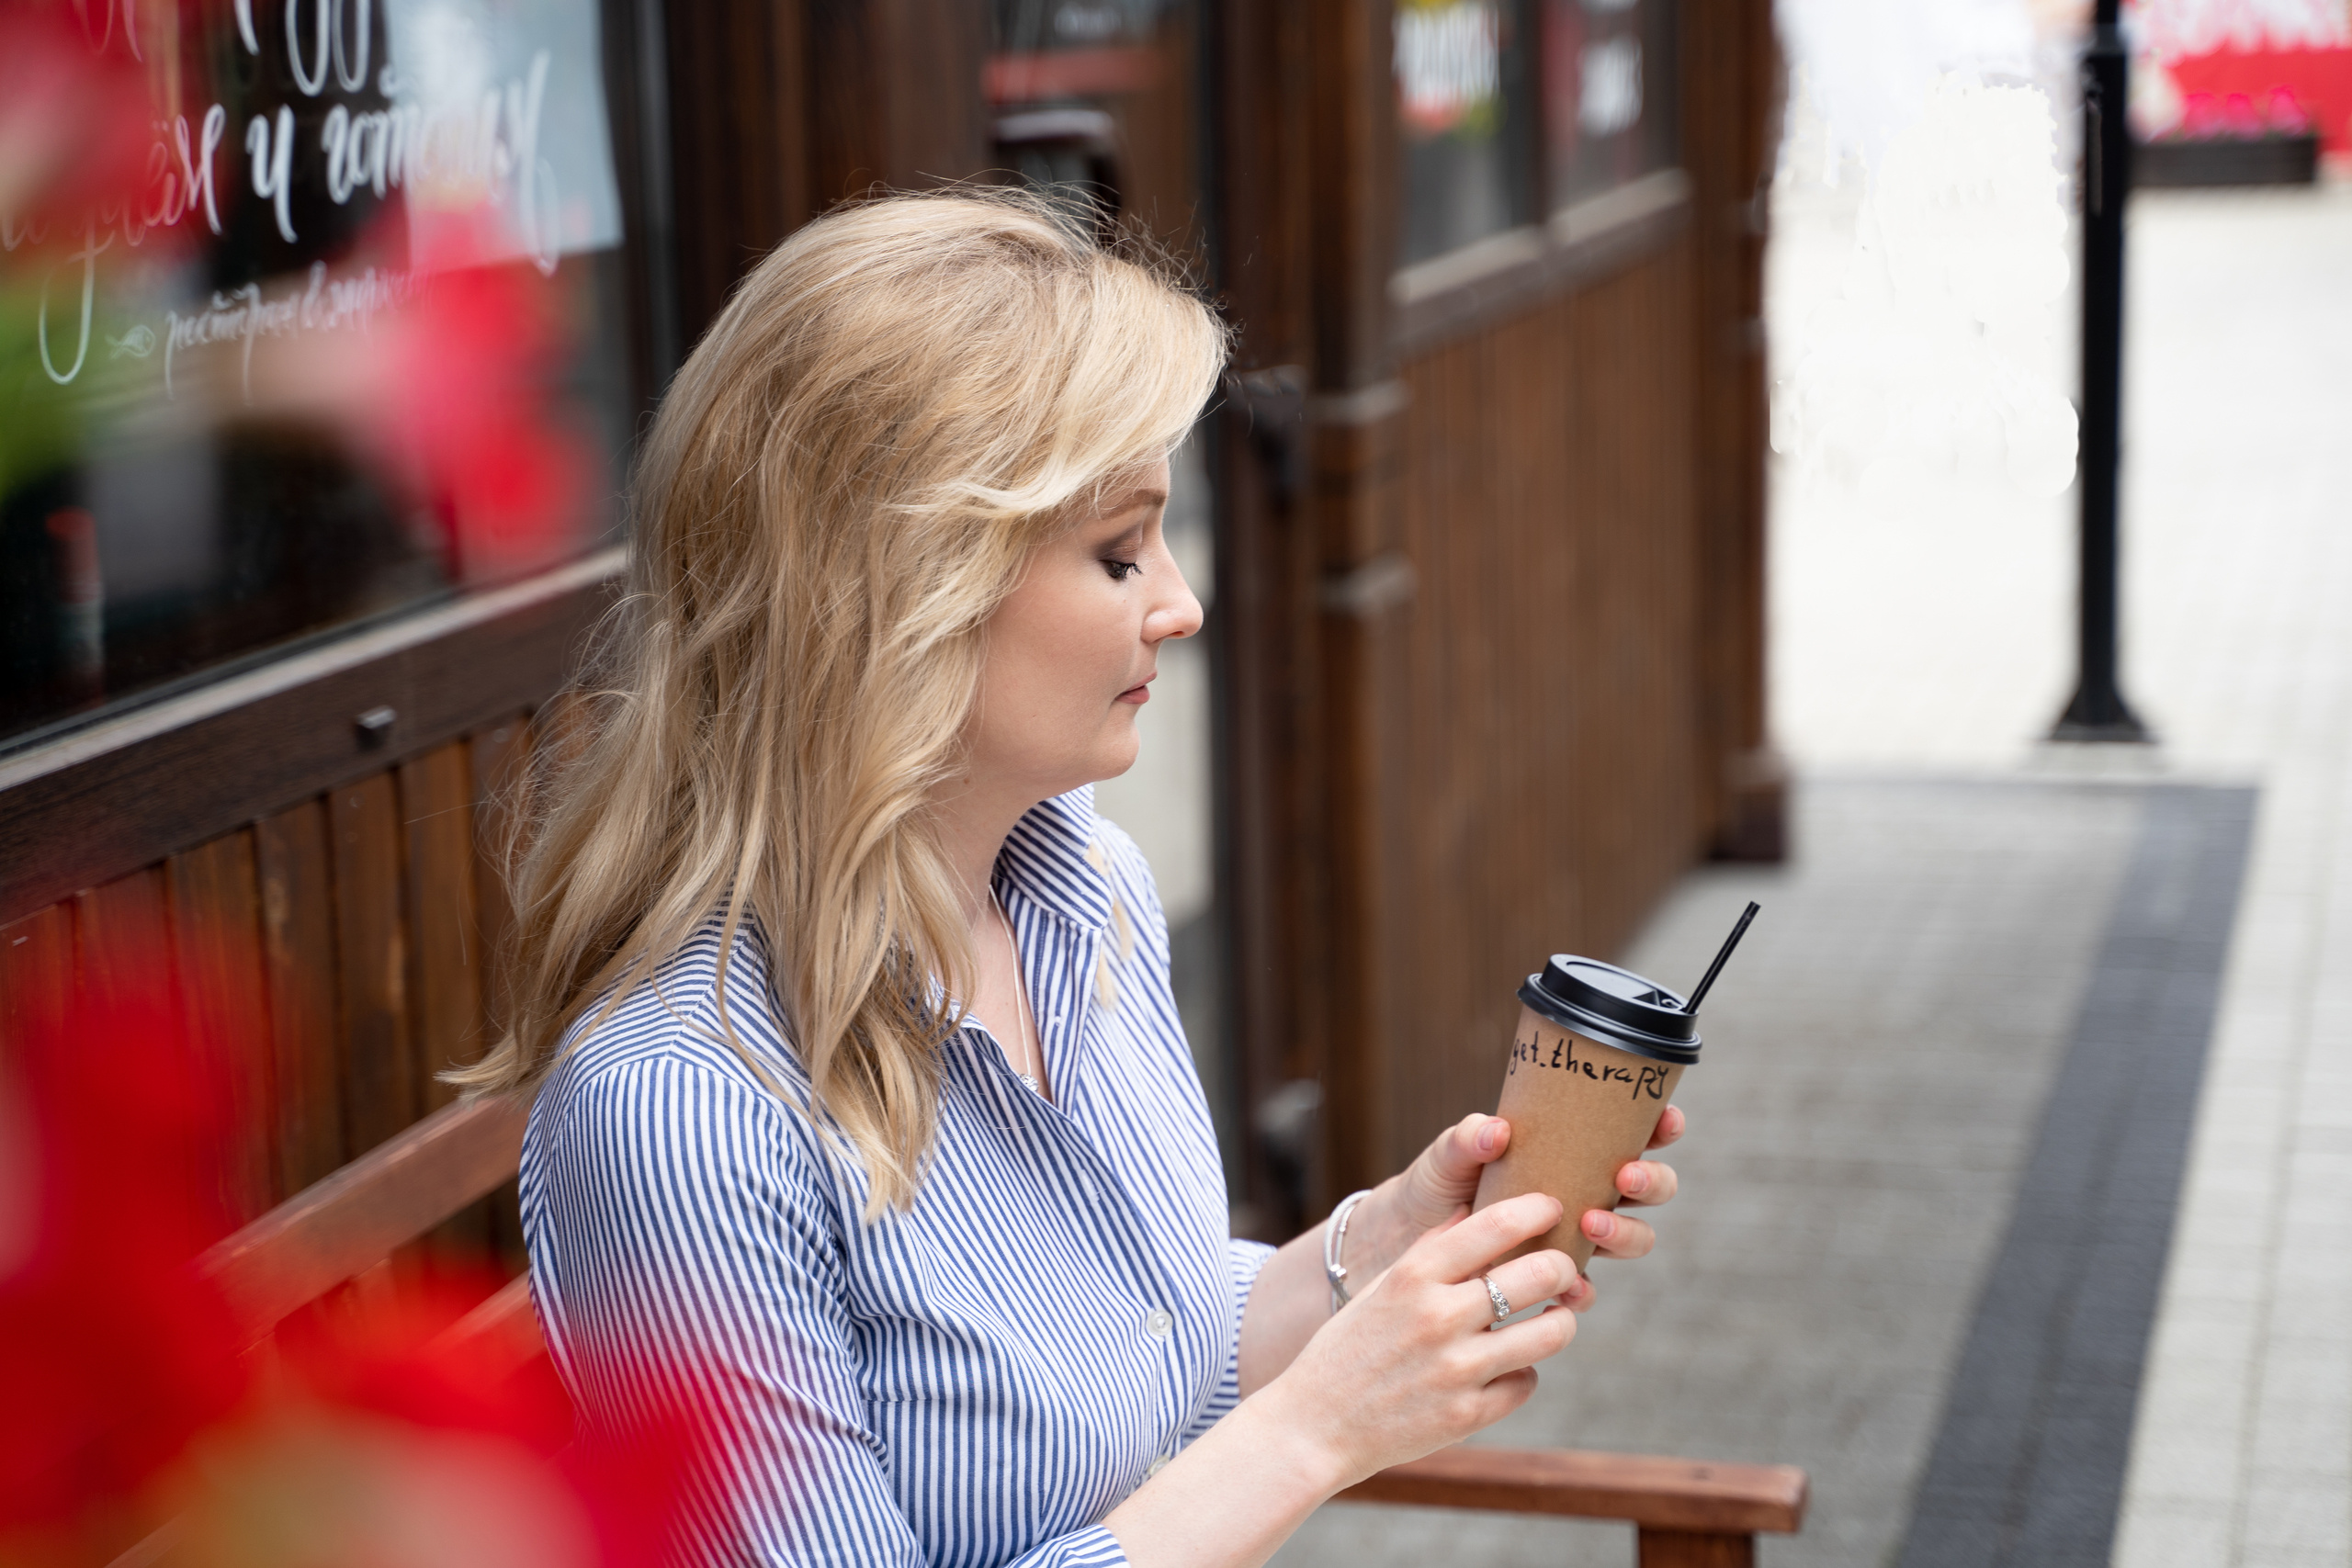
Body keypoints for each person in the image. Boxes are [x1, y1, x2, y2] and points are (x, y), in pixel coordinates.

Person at [451, 191, 1684, 1568]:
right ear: (899, 589)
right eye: (1117, 551)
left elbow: (1152, 1353)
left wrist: (1379, 1245)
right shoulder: (683, 1112)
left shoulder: (1081, 891)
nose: (1180, 601)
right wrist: (1315, 1432)